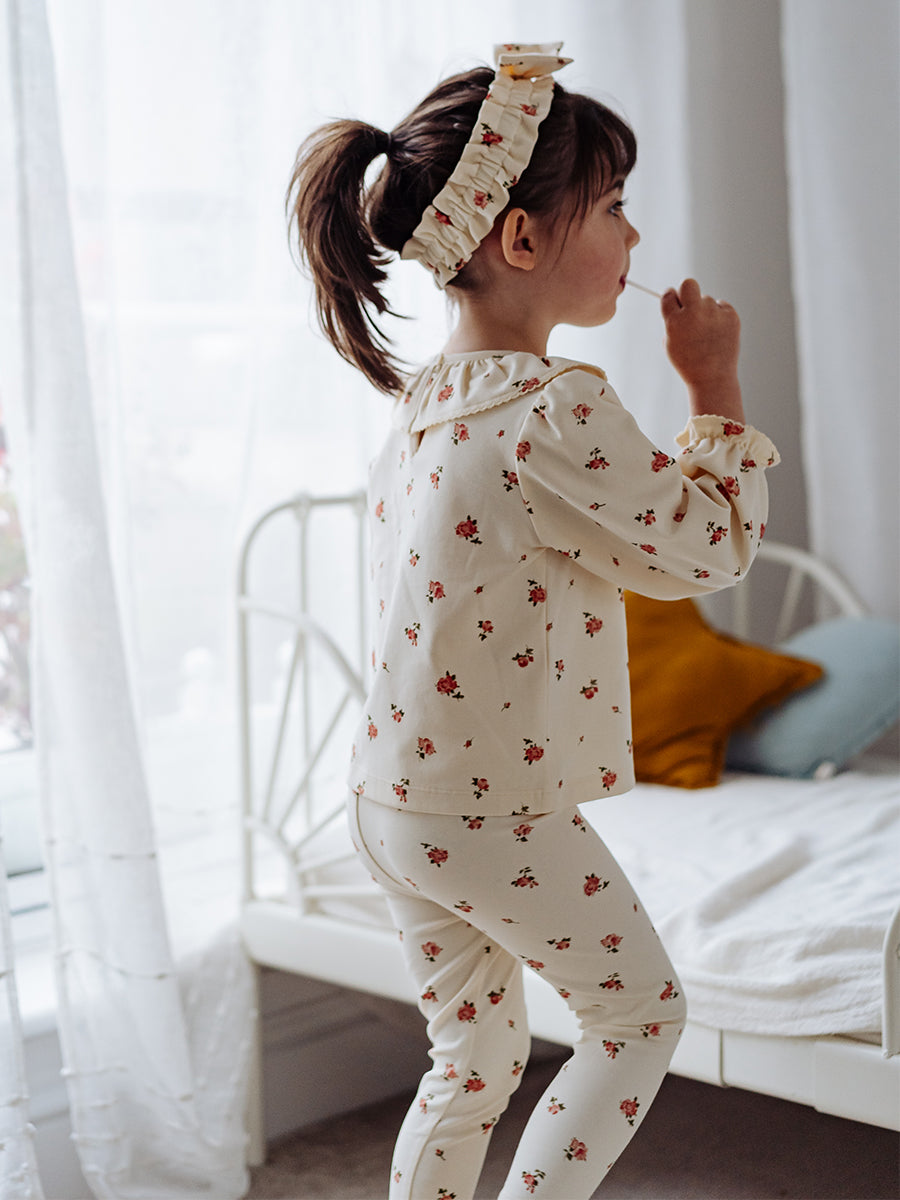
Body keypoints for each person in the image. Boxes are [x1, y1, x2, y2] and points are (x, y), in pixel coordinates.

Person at [287, 42, 779, 1200]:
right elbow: (708, 548)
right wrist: (714, 386)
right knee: (639, 1015)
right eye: (613, 207)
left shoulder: (429, 399)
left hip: (390, 799)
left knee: (471, 1059)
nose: (634, 235)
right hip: (485, 810)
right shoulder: (553, 408)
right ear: (519, 240)